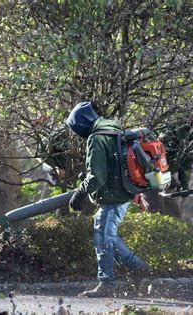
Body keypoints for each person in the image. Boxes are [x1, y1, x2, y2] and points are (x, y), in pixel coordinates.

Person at [66, 101, 149, 297]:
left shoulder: (96, 138)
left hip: (113, 195)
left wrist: (80, 193)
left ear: (80, 125)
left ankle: (108, 283)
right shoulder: (114, 129)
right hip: (123, 192)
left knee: (102, 237)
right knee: (107, 236)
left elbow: (97, 177)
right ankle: (139, 270)